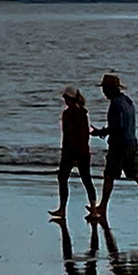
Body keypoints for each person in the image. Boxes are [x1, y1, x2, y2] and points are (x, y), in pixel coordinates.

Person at [97, 71, 138, 221]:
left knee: (109, 175)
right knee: (137, 175)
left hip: (119, 145)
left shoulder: (116, 104)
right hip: (131, 142)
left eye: (104, 89)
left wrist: (101, 132)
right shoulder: (128, 101)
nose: (103, 92)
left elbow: (117, 126)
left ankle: (103, 206)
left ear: (110, 89)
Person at [53, 85, 99, 223]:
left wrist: (71, 155)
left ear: (68, 98)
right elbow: (84, 135)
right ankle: (93, 208)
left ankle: (62, 208)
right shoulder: (83, 113)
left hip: (71, 151)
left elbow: (69, 136)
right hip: (83, 151)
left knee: (63, 178)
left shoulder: (68, 114)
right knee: (87, 180)